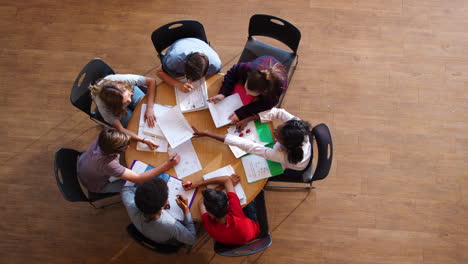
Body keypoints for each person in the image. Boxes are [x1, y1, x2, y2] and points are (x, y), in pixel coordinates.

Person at [192, 107, 311, 173]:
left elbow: (249, 146)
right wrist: (250, 118)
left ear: (285, 146)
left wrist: (208, 133)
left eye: (277, 136)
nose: (273, 132)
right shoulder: (298, 126)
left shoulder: (282, 156)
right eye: (277, 129)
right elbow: (279, 112)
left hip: (295, 164)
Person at [77, 128, 180, 193]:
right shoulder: (108, 164)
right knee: (143, 187)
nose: (129, 146)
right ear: (113, 153)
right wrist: (167, 165)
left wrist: (143, 140)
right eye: (126, 147)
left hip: (84, 165)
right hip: (98, 185)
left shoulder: (106, 137)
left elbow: (123, 133)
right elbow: (139, 179)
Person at [182, 174, 260, 245]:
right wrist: (199, 183)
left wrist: (198, 184)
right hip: (254, 234)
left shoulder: (209, 225)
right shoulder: (236, 212)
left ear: (210, 214)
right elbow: (227, 179)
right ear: (227, 204)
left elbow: (200, 203)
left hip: (232, 242)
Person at [208, 56, 287, 124]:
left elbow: (266, 105)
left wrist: (241, 113)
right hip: (263, 62)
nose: (246, 93)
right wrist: (223, 93)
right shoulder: (248, 68)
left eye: (250, 94)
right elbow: (232, 72)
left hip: (275, 70)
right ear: (248, 76)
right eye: (246, 88)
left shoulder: (276, 91)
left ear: (264, 92)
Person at [89, 74, 158, 150]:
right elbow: (121, 129)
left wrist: (149, 108)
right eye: (125, 102)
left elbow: (152, 81)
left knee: (145, 107)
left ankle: (126, 97)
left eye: (128, 95)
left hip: (123, 93)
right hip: (115, 107)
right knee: (133, 125)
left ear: (126, 87)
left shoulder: (123, 80)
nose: (130, 100)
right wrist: (143, 140)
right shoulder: (106, 109)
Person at [122, 177, 196, 246]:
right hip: (164, 242)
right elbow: (192, 239)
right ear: (162, 207)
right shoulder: (171, 224)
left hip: (145, 231)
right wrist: (185, 209)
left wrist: (144, 195)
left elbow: (125, 190)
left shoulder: (131, 205)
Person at [156, 38, 222, 93]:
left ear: (207, 69)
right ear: (183, 65)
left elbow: (217, 77)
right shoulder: (174, 60)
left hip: (198, 43)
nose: (190, 82)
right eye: (188, 78)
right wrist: (178, 84)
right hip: (181, 43)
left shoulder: (215, 65)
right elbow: (159, 72)